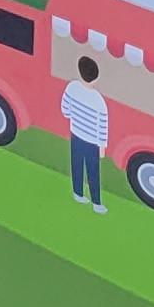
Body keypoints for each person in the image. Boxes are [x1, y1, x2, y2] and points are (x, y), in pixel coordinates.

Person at [60, 49, 109, 213]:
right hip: (92, 141)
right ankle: (96, 203)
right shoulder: (98, 100)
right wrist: (102, 146)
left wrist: (75, 118)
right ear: (96, 78)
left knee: (77, 164)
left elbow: (65, 109)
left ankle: (78, 193)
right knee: (93, 171)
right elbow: (102, 126)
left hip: (76, 134)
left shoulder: (72, 87)